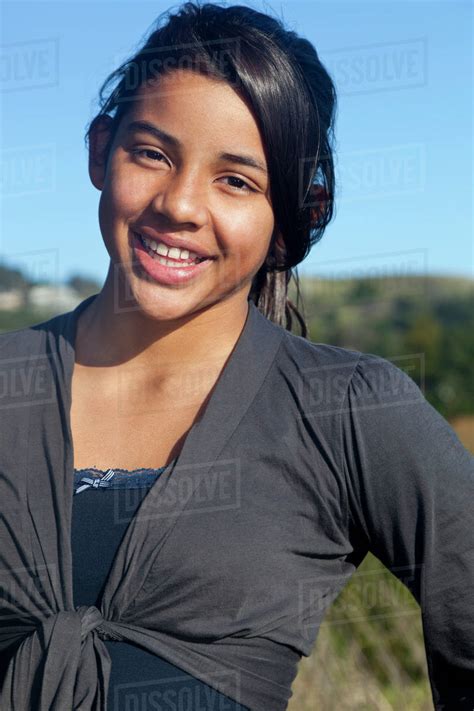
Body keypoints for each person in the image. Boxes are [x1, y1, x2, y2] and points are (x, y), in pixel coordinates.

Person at [0, 2, 473, 710]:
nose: (182, 204)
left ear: (292, 217)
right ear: (101, 150)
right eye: (153, 153)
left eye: (237, 181)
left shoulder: (349, 409)